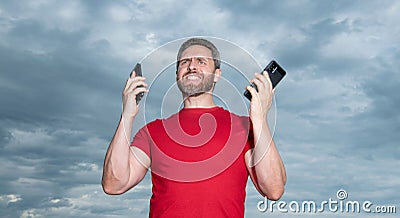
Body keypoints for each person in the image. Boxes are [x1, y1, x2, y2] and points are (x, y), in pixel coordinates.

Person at [102, 38, 286, 217]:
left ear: (217, 74)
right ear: (177, 74)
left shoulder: (244, 127)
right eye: (185, 62)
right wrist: (127, 115)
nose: (192, 66)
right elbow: (114, 184)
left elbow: (274, 189)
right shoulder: (153, 131)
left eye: (201, 61)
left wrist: (260, 119)